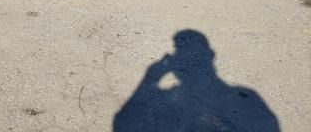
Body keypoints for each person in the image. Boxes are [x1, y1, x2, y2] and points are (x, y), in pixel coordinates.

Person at [113, 29, 279, 132]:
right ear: (210, 55)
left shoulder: (247, 98)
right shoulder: (249, 97)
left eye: (179, 49)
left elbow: (121, 122)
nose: (178, 54)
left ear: (209, 55)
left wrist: (150, 78)